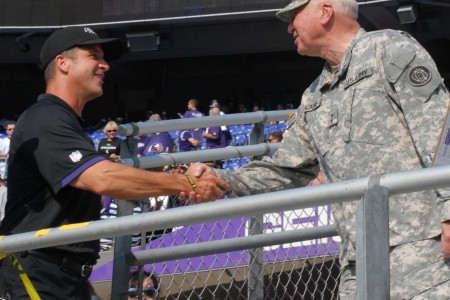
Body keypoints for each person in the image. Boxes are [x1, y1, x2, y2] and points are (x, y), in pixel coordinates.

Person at [191, 0, 450, 298]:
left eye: (294, 16)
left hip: (423, 251)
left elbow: (441, 132)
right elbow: (285, 169)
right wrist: (220, 179)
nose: (289, 27)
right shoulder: (314, 96)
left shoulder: (389, 48)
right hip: (357, 261)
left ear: (325, 12)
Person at [0, 26, 229, 299]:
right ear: (62, 63)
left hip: (63, 274)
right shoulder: (45, 117)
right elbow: (103, 178)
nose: (104, 65)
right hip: (36, 272)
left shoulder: (66, 121)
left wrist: (78, 277)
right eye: (93, 55)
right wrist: (187, 181)